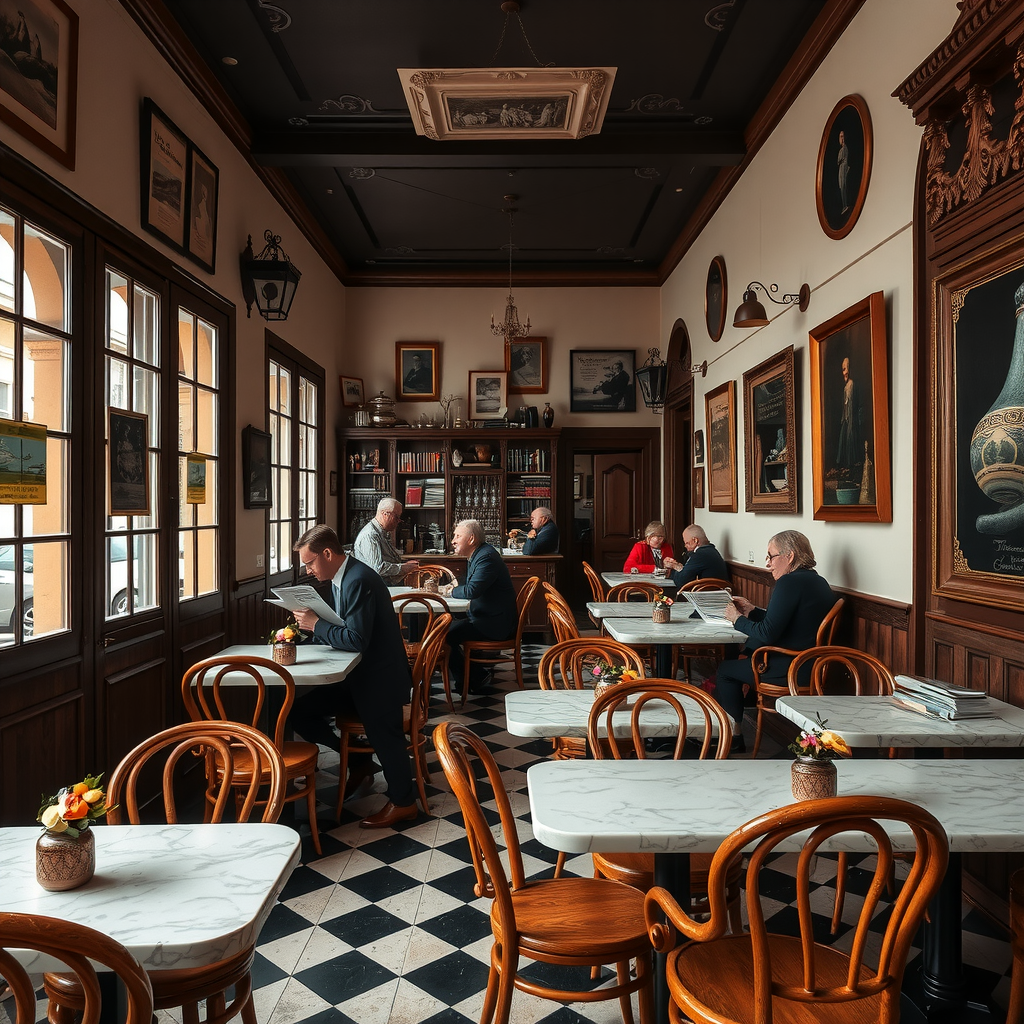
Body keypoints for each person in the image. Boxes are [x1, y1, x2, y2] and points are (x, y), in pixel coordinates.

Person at [287, 525, 419, 829]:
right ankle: (358, 761)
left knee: (385, 736)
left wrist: (316, 625)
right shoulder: (342, 576)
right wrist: (310, 632)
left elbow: (356, 639)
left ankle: (404, 802)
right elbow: (345, 628)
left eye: (309, 562)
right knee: (299, 710)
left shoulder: (358, 579)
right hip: (361, 673)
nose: (307, 570)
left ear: (328, 553)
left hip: (379, 679)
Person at [714, 530, 836, 749]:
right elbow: (786, 623)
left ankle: (734, 738)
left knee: (725, 670)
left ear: (789, 556)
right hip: (812, 664)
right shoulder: (817, 581)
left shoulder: (789, 583)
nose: (768, 563)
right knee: (737, 664)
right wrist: (751, 611)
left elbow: (768, 633)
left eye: (771, 556)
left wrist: (736, 619)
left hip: (789, 667)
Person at [440, 519, 517, 693]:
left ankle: (474, 677)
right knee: (443, 628)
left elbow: (473, 590)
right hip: (487, 615)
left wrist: (448, 592)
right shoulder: (479, 554)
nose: (453, 540)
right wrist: (455, 588)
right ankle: (471, 674)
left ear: (472, 539)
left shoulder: (486, 557)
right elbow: (471, 585)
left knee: (443, 636)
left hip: (494, 623)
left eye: (458, 536)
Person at [353, 497, 420, 583]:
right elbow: (378, 568)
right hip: (377, 588)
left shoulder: (380, 532)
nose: (398, 521)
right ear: (385, 514)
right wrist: (403, 568)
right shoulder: (370, 535)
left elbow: (388, 559)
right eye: (396, 517)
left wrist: (406, 564)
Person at [664, 524, 730, 586]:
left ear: (695, 540)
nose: (685, 546)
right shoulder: (710, 550)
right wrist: (677, 566)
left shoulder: (701, 555)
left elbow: (680, 582)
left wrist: (674, 567)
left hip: (708, 595)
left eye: (687, 543)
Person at [835, 356, 862, 483]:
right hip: (846, 419)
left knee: (852, 443)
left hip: (852, 420)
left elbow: (853, 405)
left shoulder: (852, 385)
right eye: (843, 369)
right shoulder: (846, 386)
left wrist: (851, 420)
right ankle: (848, 469)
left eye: (845, 369)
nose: (844, 373)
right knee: (845, 443)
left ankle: (853, 471)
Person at [837, 129, 850, 213]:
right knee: (841, 186)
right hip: (841, 168)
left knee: (843, 186)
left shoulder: (845, 148)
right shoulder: (841, 149)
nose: (842, 139)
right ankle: (844, 205)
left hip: (844, 167)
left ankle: (845, 205)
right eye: (841, 137)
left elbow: (841, 160)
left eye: (843, 136)